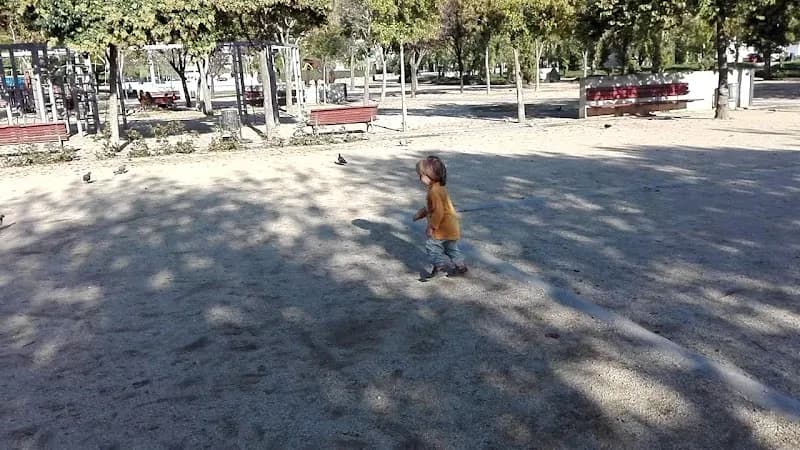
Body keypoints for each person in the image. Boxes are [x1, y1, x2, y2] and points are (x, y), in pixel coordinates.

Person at [413, 156, 468, 279]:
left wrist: (432, 227)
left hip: (442, 227)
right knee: (450, 248)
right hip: (452, 225)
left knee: (432, 247)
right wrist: (421, 214)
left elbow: (438, 212)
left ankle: (439, 268)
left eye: (421, 175)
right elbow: (434, 207)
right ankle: (461, 266)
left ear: (431, 175)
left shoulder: (433, 192)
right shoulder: (440, 187)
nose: (420, 178)